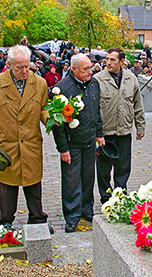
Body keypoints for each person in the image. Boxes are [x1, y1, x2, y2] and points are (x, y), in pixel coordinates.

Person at [0, 45, 50, 231]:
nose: (25, 71)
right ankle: (5, 221)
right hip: (4, 145)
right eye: (19, 68)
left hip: (30, 144)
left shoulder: (39, 83)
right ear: (9, 64)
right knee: (6, 187)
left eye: (27, 66)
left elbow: (44, 109)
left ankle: (37, 220)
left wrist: (55, 119)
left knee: (33, 185)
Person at [51, 54, 105, 232]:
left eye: (91, 68)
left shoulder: (94, 84)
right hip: (71, 143)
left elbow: (96, 111)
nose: (90, 72)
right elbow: (57, 123)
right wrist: (62, 148)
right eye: (85, 69)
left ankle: (86, 210)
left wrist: (99, 133)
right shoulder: (61, 89)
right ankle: (72, 216)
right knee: (72, 181)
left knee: (88, 177)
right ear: (74, 69)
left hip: (89, 141)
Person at [94, 47, 146, 204]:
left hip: (124, 131)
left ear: (122, 62)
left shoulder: (131, 79)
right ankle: (105, 198)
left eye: (112, 60)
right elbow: (93, 108)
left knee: (123, 167)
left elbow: (138, 104)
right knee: (103, 170)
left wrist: (140, 126)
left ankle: (120, 196)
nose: (108, 63)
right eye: (107, 59)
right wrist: (96, 132)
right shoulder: (97, 79)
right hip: (104, 133)